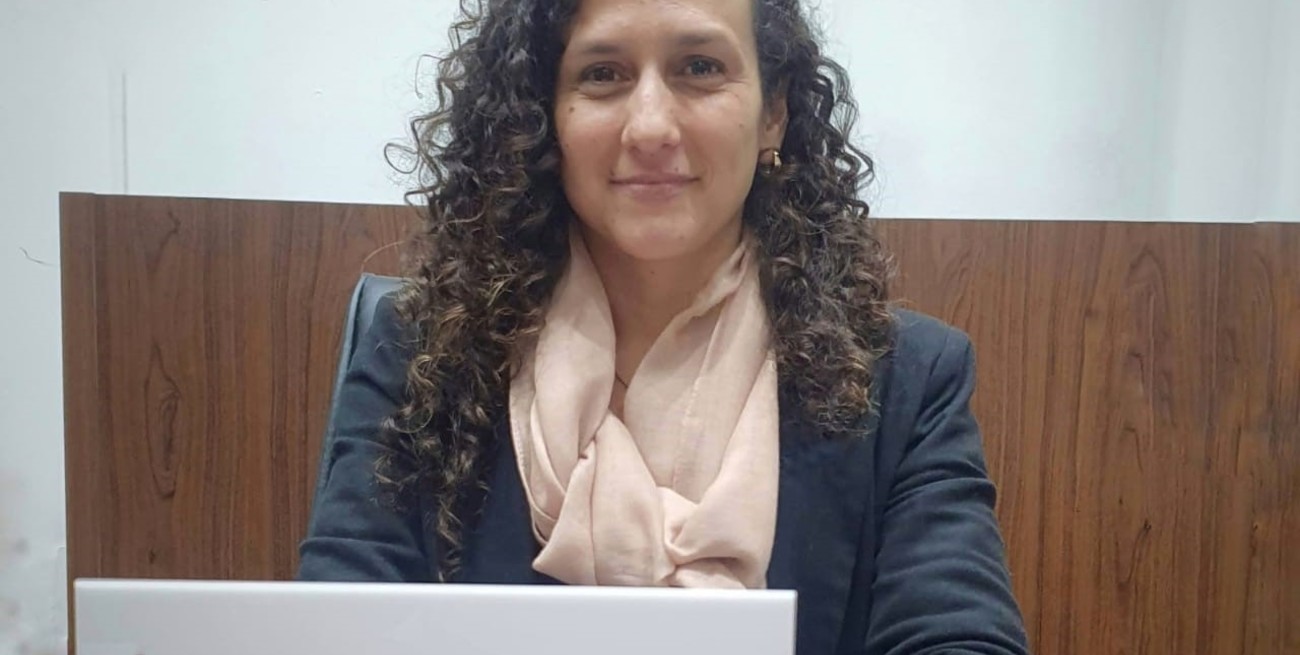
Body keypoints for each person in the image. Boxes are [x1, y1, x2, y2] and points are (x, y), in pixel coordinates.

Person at [299, 0, 1029, 652]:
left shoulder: (907, 380)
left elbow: (958, 635)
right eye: (603, 74)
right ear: (542, 116)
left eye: (700, 67)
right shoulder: (419, 354)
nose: (650, 125)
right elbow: (337, 629)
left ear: (773, 112)